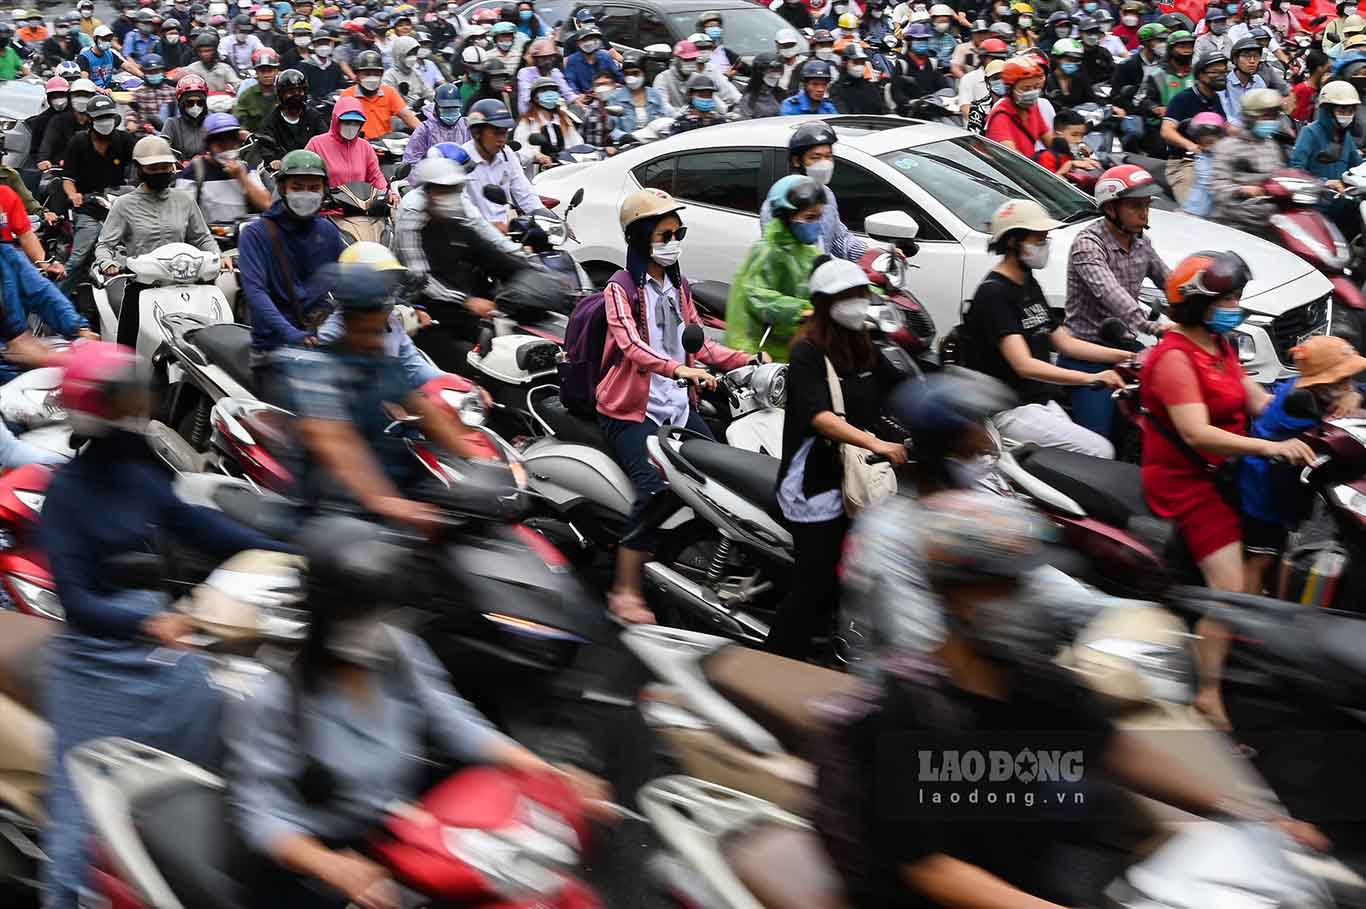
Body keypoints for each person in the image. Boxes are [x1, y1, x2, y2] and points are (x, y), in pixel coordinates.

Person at [814, 487, 1329, 909]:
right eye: (1007, 585)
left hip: (1029, 878)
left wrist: (1248, 813)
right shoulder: (904, 709)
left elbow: (1115, 750)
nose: (1028, 599)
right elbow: (929, 867)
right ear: (957, 597)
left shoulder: (1035, 681)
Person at [225, 516, 608, 909]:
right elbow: (261, 812)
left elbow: (455, 721)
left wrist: (546, 772)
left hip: (406, 839)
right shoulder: (275, 699)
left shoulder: (397, 652)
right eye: (359, 614)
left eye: (380, 610)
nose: (375, 625)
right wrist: (328, 865)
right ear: (324, 613)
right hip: (325, 870)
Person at [40, 342, 290, 909]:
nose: (137, 402)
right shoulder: (66, 494)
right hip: (100, 663)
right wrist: (150, 622)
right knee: (81, 814)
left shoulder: (139, 467)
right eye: (123, 394)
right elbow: (76, 600)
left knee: (234, 745)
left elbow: (198, 525)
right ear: (98, 407)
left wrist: (292, 549)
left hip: (168, 639)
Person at [1141, 252, 1315, 727]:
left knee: (1265, 549)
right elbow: (1196, 433)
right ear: (1199, 302)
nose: (1236, 305)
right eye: (1229, 297)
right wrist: (1269, 449)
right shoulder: (1174, 358)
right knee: (1230, 588)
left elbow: (1255, 399)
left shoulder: (1220, 344)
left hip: (1227, 467)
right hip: (1188, 479)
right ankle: (1208, 695)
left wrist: (1315, 409)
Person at [596, 188, 754, 624]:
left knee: (726, 477)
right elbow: (629, 345)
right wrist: (678, 371)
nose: (673, 241)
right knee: (655, 489)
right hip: (631, 412)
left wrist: (747, 360)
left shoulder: (677, 284)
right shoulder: (620, 287)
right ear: (641, 236)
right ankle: (624, 589)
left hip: (679, 408)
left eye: (678, 232)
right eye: (665, 234)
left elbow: (699, 342)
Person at [762, 255, 908, 659]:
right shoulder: (807, 350)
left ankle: (834, 644)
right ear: (826, 303)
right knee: (816, 581)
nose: (858, 304)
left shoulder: (863, 343)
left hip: (854, 479)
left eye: (862, 295)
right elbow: (820, 418)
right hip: (814, 484)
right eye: (848, 297)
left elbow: (902, 389)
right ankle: (773, 662)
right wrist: (874, 443)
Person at [276, 261, 490, 526]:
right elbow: (337, 443)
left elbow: (425, 413)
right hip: (337, 508)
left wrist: (482, 462)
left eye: (379, 331)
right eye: (366, 331)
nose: (375, 341)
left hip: (395, 487)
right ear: (345, 322)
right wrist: (389, 504)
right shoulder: (314, 371)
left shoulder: (379, 362)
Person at [962, 199, 1126, 458]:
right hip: (1010, 409)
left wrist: (1127, 357)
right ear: (1014, 241)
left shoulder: (1028, 283)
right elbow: (1024, 365)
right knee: (1100, 452)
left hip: (1038, 401)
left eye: (1044, 239)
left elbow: (1065, 343)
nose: (1044, 246)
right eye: (1038, 239)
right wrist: (1092, 378)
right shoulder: (994, 293)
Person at [1242, 336, 1364, 593]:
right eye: (1342, 380)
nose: (1348, 384)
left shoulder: (1322, 392)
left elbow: (1355, 391)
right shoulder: (1296, 404)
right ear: (1320, 382)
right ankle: (1247, 614)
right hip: (1265, 488)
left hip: (1293, 482)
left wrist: (1352, 393)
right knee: (1263, 557)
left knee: (1287, 547)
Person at [1063, 165, 1171, 438]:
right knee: (1099, 439)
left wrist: (1197, 305)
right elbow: (1110, 293)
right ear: (1111, 208)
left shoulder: (1141, 241)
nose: (1144, 212)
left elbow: (1169, 281)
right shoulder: (1088, 244)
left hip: (1126, 347)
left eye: (1146, 204)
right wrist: (1148, 325)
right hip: (1087, 353)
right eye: (1135, 205)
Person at [94, 135, 223, 346]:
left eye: (166, 167)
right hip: (143, 286)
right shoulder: (124, 205)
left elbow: (202, 238)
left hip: (186, 284)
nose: (161, 172)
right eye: (154, 168)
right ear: (139, 169)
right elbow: (105, 246)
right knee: (127, 351)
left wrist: (217, 257)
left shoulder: (184, 200)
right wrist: (108, 263)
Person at [238, 149, 344, 398]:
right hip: (274, 349)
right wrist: (292, 334)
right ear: (283, 188)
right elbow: (256, 293)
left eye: (313, 187)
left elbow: (350, 273)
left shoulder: (327, 231)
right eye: (298, 186)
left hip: (321, 342)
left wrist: (394, 301)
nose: (306, 193)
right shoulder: (256, 234)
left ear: (323, 191)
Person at [727, 176, 826, 362]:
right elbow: (756, 296)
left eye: (819, 217)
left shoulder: (806, 251)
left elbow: (831, 274)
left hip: (795, 342)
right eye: (809, 218)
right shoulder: (767, 251)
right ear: (785, 216)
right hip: (759, 346)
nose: (816, 224)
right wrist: (799, 310)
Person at [58, 94, 135, 299]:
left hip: (119, 206)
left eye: (108, 116)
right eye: (100, 118)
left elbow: (142, 160)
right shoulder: (78, 142)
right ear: (90, 120)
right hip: (89, 208)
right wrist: (74, 195)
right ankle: (53, 301)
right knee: (78, 258)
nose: (105, 121)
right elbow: (67, 179)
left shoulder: (124, 140)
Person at [1290, 79, 1363, 236]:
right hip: (1316, 207)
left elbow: (1357, 166)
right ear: (1328, 111)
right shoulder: (1309, 133)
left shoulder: (1346, 136)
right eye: (1342, 111)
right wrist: (1324, 182)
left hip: (1343, 204)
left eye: (1350, 111)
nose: (1347, 116)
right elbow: (1296, 170)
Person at [1209, 87, 1283, 237]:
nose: (1271, 121)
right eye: (1266, 116)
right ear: (1250, 117)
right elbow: (1218, 187)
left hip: (1268, 219)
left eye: (1274, 116)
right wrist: (1241, 190)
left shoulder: (1272, 146)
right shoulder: (1228, 146)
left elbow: (1280, 177)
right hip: (1235, 222)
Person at [462, 99, 546, 230]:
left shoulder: (507, 154)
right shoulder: (462, 160)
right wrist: (487, 227)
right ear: (477, 132)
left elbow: (525, 193)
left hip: (506, 233)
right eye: (496, 133)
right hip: (474, 237)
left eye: (505, 132)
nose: (501, 139)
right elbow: (463, 209)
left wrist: (546, 218)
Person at [176, 112, 271, 225]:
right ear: (208, 146)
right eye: (221, 145)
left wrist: (241, 177)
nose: (227, 150)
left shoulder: (245, 170)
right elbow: (182, 217)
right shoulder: (192, 173)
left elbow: (267, 204)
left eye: (232, 144)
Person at [1162, 49, 1229, 202]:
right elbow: (1166, 131)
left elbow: (1226, 127)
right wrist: (1192, 146)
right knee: (1193, 209)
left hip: (1214, 160)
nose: (1222, 76)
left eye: (1224, 72)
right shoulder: (1183, 98)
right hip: (1184, 163)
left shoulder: (1215, 98)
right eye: (1216, 72)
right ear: (1200, 75)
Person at [303, 98, 387, 196]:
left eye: (356, 123)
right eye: (346, 122)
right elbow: (304, 175)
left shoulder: (365, 147)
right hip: (326, 207)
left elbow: (376, 177)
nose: (351, 127)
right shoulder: (316, 144)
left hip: (359, 205)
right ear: (336, 120)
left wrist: (386, 194)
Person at [342, 49, 420, 139]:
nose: (371, 78)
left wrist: (425, 134)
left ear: (381, 75)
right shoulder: (347, 96)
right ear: (357, 75)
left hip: (386, 145)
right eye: (367, 74)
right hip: (359, 145)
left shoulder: (389, 92)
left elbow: (407, 116)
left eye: (376, 74)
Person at [514, 76, 584, 174]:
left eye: (553, 90)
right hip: (539, 173)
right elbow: (520, 151)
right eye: (545, 91)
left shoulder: (565, 120)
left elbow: (577, 143)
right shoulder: (528, 122)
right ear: (535, 97)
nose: (550, 94)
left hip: (564, 171)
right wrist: (537, 155)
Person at [985, 56, 1053, 154]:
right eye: (1026, 88)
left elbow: (1050, 141)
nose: (1032, 92)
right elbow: (1012, 157)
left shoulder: (1033, 107)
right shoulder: (1000, 116)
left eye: (1036, 87)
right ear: (1010, 89)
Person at [260, 68, 328, 162]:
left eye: (300, 91)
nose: (297, 95)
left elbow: (325, 142)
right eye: (291, 92)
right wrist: (275, 161)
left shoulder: (314, 117)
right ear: (281, 94)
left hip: (313, 167)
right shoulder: (271, 121)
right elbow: (268, 150)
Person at [610, 52, 674, 137]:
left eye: (635, 73)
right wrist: (624, 137)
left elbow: (667, 118)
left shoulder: (655, 95)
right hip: (628, 146)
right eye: (627, 74)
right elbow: (612, 129)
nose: (630, 78)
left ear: (644, 72)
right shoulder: (615, 98)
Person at [403, 82, 469, 164]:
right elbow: (411, 161)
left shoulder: (467, 126)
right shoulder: (425, 130)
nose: (450, 113)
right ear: (436, 106)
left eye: (454, 109)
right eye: (446, 109)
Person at [517, 37, 576, 112]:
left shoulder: (555, 72)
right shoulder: (525, 73)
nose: (548, 61)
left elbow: (568, 94)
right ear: (535, 59)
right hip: (530, 113)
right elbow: (526, 98)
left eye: (551, 57)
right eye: (544, 58)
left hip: (553, 113)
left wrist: (578, 100)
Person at [162, 73, 211, 159]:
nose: (195, 107)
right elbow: (163, 149)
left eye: (200, 103)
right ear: (182, 104)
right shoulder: (172, 124)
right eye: (190, 103)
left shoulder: (212, 122)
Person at [564, 24, 623, 95]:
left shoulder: (605, 56)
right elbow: (571, 82)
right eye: (586, 40)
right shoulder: (572, 60)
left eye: (592, 39)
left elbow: (618, 76)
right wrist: (579, 96)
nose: (589, 43)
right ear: (578, 43)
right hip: (586, 99)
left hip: (607, 94)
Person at [383, 34, 434, 112]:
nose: (412, 57)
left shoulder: (416, 73)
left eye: (414, 53)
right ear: (399, 54)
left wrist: (426, 102)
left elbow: (429, 94)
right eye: (409, 54)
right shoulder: (389, 77)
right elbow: (391, 103)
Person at [831, 45, 886, 113]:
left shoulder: (869, 85)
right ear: (845, 62)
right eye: (856, 62)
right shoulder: (837, 88)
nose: (859, 66)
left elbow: (879, 109)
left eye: (862, 62)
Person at [653, 40, 704, 111]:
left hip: (696, 119)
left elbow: (711, 100)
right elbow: (663, 106)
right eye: (686, 59)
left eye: (693, 59)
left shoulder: (698, 78)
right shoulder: (663, 78)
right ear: (676, 59)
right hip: (671, 120)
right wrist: (682, 113)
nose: (690, 62)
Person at [299, 28, 345, 98]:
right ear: (313, 45)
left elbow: (341, 86)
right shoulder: (304, 66)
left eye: (326, 43)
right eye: (320, 44)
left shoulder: (335, 66)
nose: (323, 46)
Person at [131, 55, 177, 125]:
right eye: (150, 72)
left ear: (163, 72)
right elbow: (132, 112)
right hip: (145, 133)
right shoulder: (139, 94)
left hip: (167, 131)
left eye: (157, 71)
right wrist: (131, 122)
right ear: (144, 73)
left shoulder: (172, 92)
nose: (154, 74)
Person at [1292, 50, 1333, 125]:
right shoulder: (1303, 90)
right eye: (1328, 68)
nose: (1330, 72)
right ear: (1319, 68)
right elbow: (1299, 118)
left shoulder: (1323, 88)